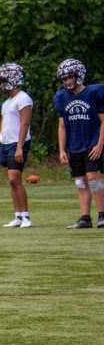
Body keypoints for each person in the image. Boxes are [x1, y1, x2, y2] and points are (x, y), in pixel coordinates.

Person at [54, 58, 104, 229]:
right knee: (80, 181)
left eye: (70, 77)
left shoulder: (93, 92)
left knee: (93, 178)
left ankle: (102, 215)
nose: (68, 81)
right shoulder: (61, 96)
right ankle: (85, 218)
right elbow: (62, 125)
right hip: (74, 145)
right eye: (65, 78)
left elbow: (103, 120)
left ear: (79, 75)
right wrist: (61, 149)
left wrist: (99, 145)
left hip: (92, 142)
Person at [0, 63, 33, 228]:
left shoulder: (24, 98)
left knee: (15, 178)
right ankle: (18, 216)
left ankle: (26, 217)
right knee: (12, 181)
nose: (1, 84)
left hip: (18, 143)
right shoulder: (6, 103)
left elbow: (25, 124)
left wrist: (20, 147)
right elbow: (1, 127)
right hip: (6, 144)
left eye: (3, 80)